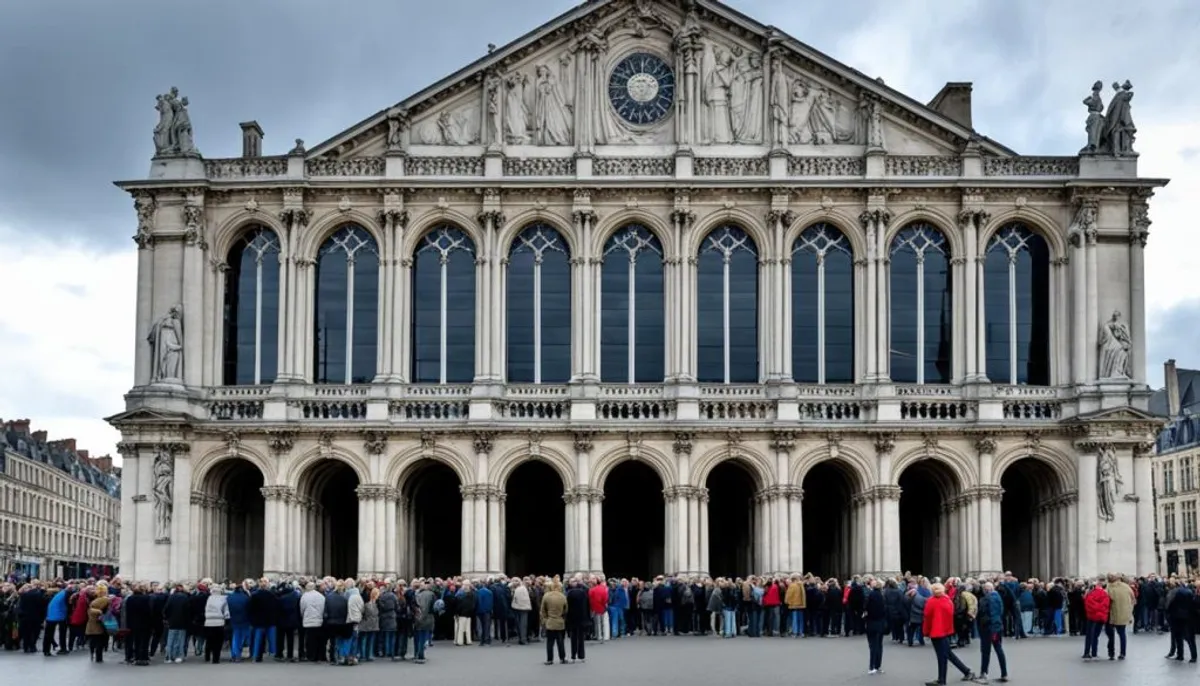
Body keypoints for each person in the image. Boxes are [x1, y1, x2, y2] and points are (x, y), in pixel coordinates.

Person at [923, 583, 976, 685]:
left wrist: (926, 632)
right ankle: (967, 671)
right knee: (948, 654)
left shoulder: (931, 602)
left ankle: (942, 680)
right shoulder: (948, 600)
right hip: (945, 631)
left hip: (935, 632)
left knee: (942, 656)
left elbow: (927, 618)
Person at [976, 582, 1009, 682]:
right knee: (998, 649)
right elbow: (1000, 612)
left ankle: (984, 672)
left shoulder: (988, 599)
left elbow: (989, 614)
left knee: (986, 651)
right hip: (996, 627)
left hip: (989, 628)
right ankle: (1004, 673)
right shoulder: (998, 597)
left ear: (987, 589)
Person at [1104, 573, 1133, 660]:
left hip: (1111, 614)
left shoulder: (1109, 588)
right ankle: (1123, 653)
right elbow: (1133, 598)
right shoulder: (1126, 587)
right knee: (1122, 634)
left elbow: (1107, 600)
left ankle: (1111, 653)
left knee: (1110, 634)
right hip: (1123, 614)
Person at [540, 580, 568, 665]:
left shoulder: (546, 596)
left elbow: (542, 610)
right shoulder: (563, 596)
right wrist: (562, 617)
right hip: (559, 622)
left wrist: (545, 619)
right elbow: (566, 610)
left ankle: (549, 659)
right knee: (560, 642)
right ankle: (562, 658)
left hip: (550, 621)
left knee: (550, 642)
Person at [863, 579, 886, 674]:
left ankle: (871, 666)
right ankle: (878, 666)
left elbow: (865, 608)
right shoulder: (882, 596)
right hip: (880, 623)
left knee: (872, 646)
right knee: (879, 646)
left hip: (871, 623)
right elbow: (885, 610)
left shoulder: (870, 595)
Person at [1082, 579, 1109, 659]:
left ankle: (1087, 652)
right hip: (1101, 617)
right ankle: (1094, 652)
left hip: (1092, 616)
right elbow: (1106, 605)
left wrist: (1095, 608)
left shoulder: (1091, 593)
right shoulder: (1105, 594)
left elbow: (1087, 604)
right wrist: (1100, 609)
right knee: (1096, 635)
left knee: (1089, 635)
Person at [85, 584, 112, 663]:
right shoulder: (106, 600)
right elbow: (108, 612)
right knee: (100, 641)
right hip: (100, 623)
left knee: (93, 640)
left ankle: (92, 653)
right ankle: (99, 658)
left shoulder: (93, 600)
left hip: (91, 623)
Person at [202, 586, 229, 664]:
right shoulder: (223, 599)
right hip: (219, 623)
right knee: (218, 642)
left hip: (208, 622)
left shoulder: (209, 599)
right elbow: (226, 612)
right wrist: (227, 620)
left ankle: (207, 657)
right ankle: (215, 659)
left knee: (209, 641)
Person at [566, 578, 590, 662]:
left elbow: (567, 608)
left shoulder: (569, 593)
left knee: (573, 638)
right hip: (581, 618)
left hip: (572, 618)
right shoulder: (583, 593)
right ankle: (581, 656)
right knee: (581, 638)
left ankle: (573, 656)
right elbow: (587, 605)